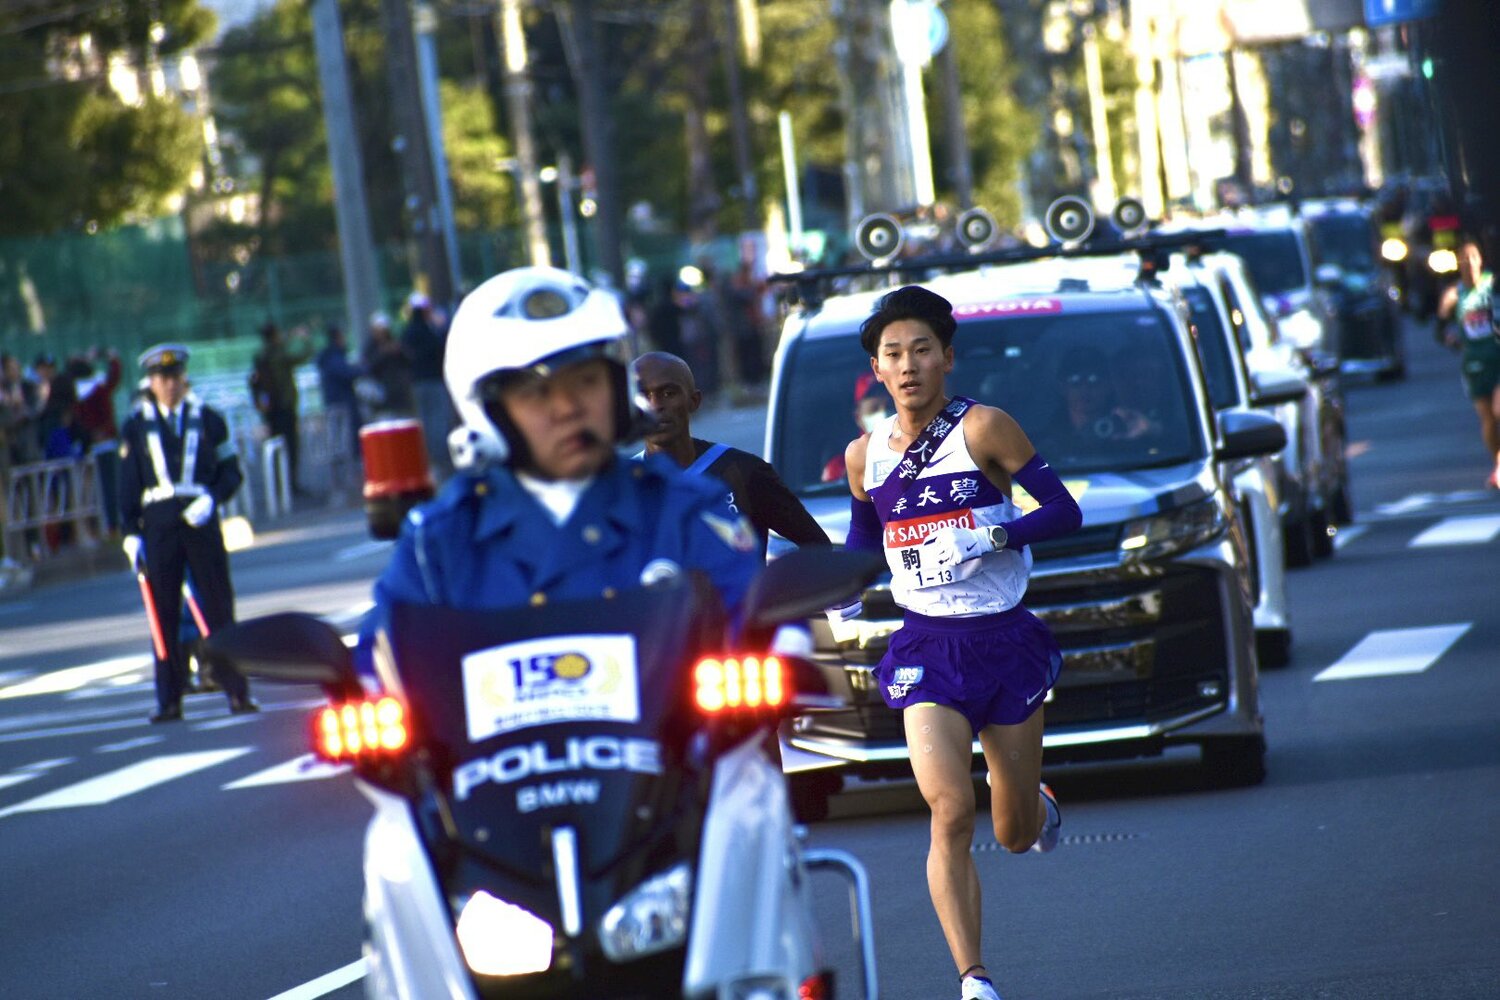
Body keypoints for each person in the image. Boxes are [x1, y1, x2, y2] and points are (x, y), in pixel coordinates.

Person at [839, 286, 1081, 1000]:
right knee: (949, 809)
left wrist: (993, 534)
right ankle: (974, 979)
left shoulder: (984, 428)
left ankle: (1037, 806)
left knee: (1012, 833)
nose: (908, 365)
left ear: (946, 357)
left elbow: (1063, 510)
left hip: (1002, 639)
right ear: (877, 371)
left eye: (921, 350)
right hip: (925, 648)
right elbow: (864, 540)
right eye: (893, 354)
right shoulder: (864, 455)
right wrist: (841, 584)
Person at [361, 266, 761, 675]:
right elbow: (379, 667)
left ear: (618, 390)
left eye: (586, 381)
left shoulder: (688, 511)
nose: (568, 409)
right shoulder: (440, 541)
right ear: (491, 412)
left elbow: (757, 625)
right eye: (537, 393)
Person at [119, 344, 257, 722]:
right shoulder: (136, 426)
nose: (169, 384)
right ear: (151, 382)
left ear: (184, 378)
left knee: (218, 606)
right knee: (163, 614)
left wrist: (212, 498)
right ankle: (169, 699)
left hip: (200, 522)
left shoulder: (210, 420)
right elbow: (128, 484)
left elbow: (231, 472)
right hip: (160, 525)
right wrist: (130, 532)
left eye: (175, 376)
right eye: (162, 378)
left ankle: (236, 692)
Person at [633, 350, 829, 555]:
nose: (655, 406)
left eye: (668, 393)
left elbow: (818, 546)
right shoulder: (622, 486)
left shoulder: (744, 473)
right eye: (643, 396)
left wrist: (776, 577)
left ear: (694, 401)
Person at [1436, 239, 1500, 488]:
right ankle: (1497, 463)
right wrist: (1452, 341)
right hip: (1474, 363)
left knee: (1499, 409)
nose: (1469, 265)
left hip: (1497, 358)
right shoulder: (1454, 294)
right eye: (1464, 260)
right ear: (1458, 264)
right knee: (1488, 418)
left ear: (1480, 261)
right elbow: (1439, 330)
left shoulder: (1493, 285)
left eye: (1473, 258)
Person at [249, 321, 313, 496]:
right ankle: (290, 484)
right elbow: (303, 356)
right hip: (285, 407)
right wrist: (305, 339)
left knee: (277, 447)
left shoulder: (261, 356)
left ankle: (279, 484)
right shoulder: (279, 354)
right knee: (291, 447)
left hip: (271, 410)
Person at [401, 291, 454, 478]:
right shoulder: (430, 330)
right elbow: (440, 347)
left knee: (424, 421)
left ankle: (428, 460)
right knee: (438, 419)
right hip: (434, 380)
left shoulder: (407, 332)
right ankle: (440, 459)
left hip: (418, 382)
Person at [822, 372, 894, 483]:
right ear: (858, 416)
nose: (884, 414)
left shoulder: (916, 452)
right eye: (874, 409)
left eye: (890, 406)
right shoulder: (842, 466)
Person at [316, 323, 362, 462]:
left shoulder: (326, 356)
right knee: (345, 432)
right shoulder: (335, 356)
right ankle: (344, 459)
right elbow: (345, 372)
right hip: (342, 398)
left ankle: (338, 457)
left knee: (336, 431)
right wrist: (361, 370)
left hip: (331, 399)